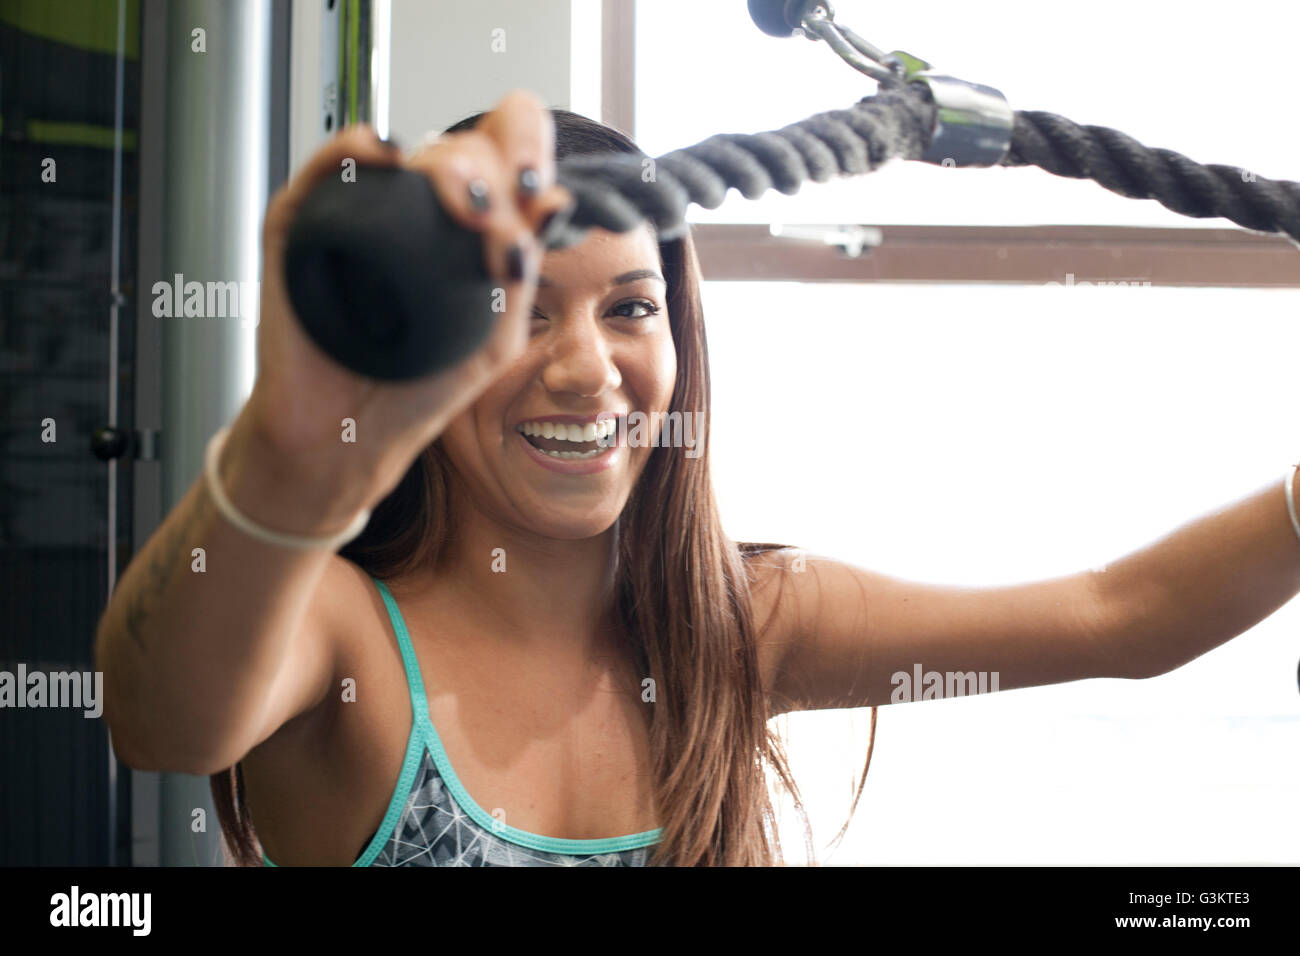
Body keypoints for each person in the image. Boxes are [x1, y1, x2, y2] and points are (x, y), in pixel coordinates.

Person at [95, 90, 1300, 867]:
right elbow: (160, 718)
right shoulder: (345, 633)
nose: (585, 369)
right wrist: (287, 467)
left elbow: (1119, 614)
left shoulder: (738, 626)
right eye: (521, 315)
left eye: (630, 308)